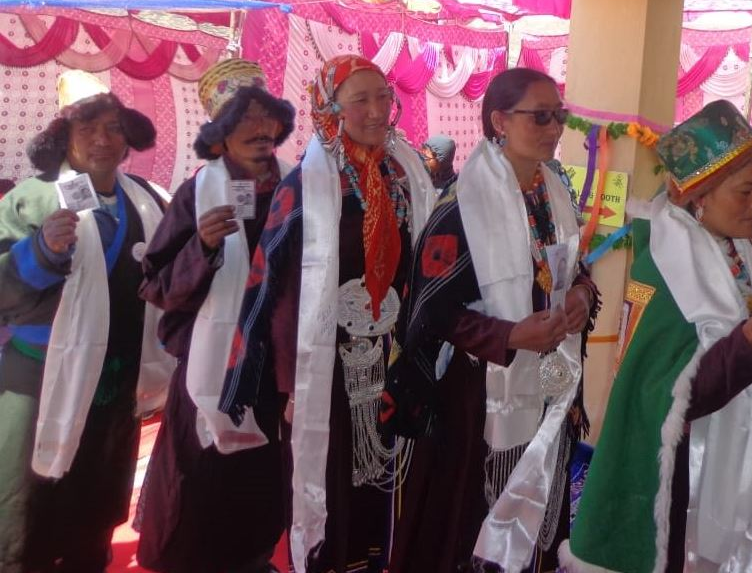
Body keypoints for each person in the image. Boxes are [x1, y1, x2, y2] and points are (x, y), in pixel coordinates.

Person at [560, 100, 752, 572]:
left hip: (732, 462)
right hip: (686, 477)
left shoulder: (739, 247)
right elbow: (656, 399)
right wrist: (746, 352)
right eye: (747, 191)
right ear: (699, 195)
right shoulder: (667, 267)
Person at [219, 54, 435, 573]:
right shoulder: (305, 186)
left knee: (387, 472)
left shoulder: (405, 177)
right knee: (331, 474)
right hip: (325, 363)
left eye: (383, 96)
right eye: (359, 99)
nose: (376, 109)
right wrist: (290, 383)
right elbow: (270, 285)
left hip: (392, 349)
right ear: (329, 108)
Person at [387, 67, 599, 573]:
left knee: (544, 495)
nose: (554, 128)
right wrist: (507, 335)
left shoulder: (554, 191)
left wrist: (582, 296)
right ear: (500, 120)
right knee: (467, 517)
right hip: (477, 399)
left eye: (560, 116)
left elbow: (575, 267)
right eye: (541, 116)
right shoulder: (462, 203)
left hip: (551, 378)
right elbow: (430, 309)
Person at [0, 70, 174, 572]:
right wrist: (40, 252)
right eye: (88, 127)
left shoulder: (149, 200)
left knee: (95, 508)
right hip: (37, 383)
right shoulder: (31, 199)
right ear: (64, 137)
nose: (103, 139)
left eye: (114, 127)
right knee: (26, 509)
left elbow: (168, 275)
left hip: (114, 385)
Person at [135, 59, 296, 573]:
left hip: (275, 373)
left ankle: (252, 558)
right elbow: (157, 285)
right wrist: (201, 247)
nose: (255, 129)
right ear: (218, 136)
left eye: (261, 116)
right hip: (211, 367)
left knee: (262, 480)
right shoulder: (196, 194)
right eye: (238, 120)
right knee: (198, 481)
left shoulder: (299, 189)